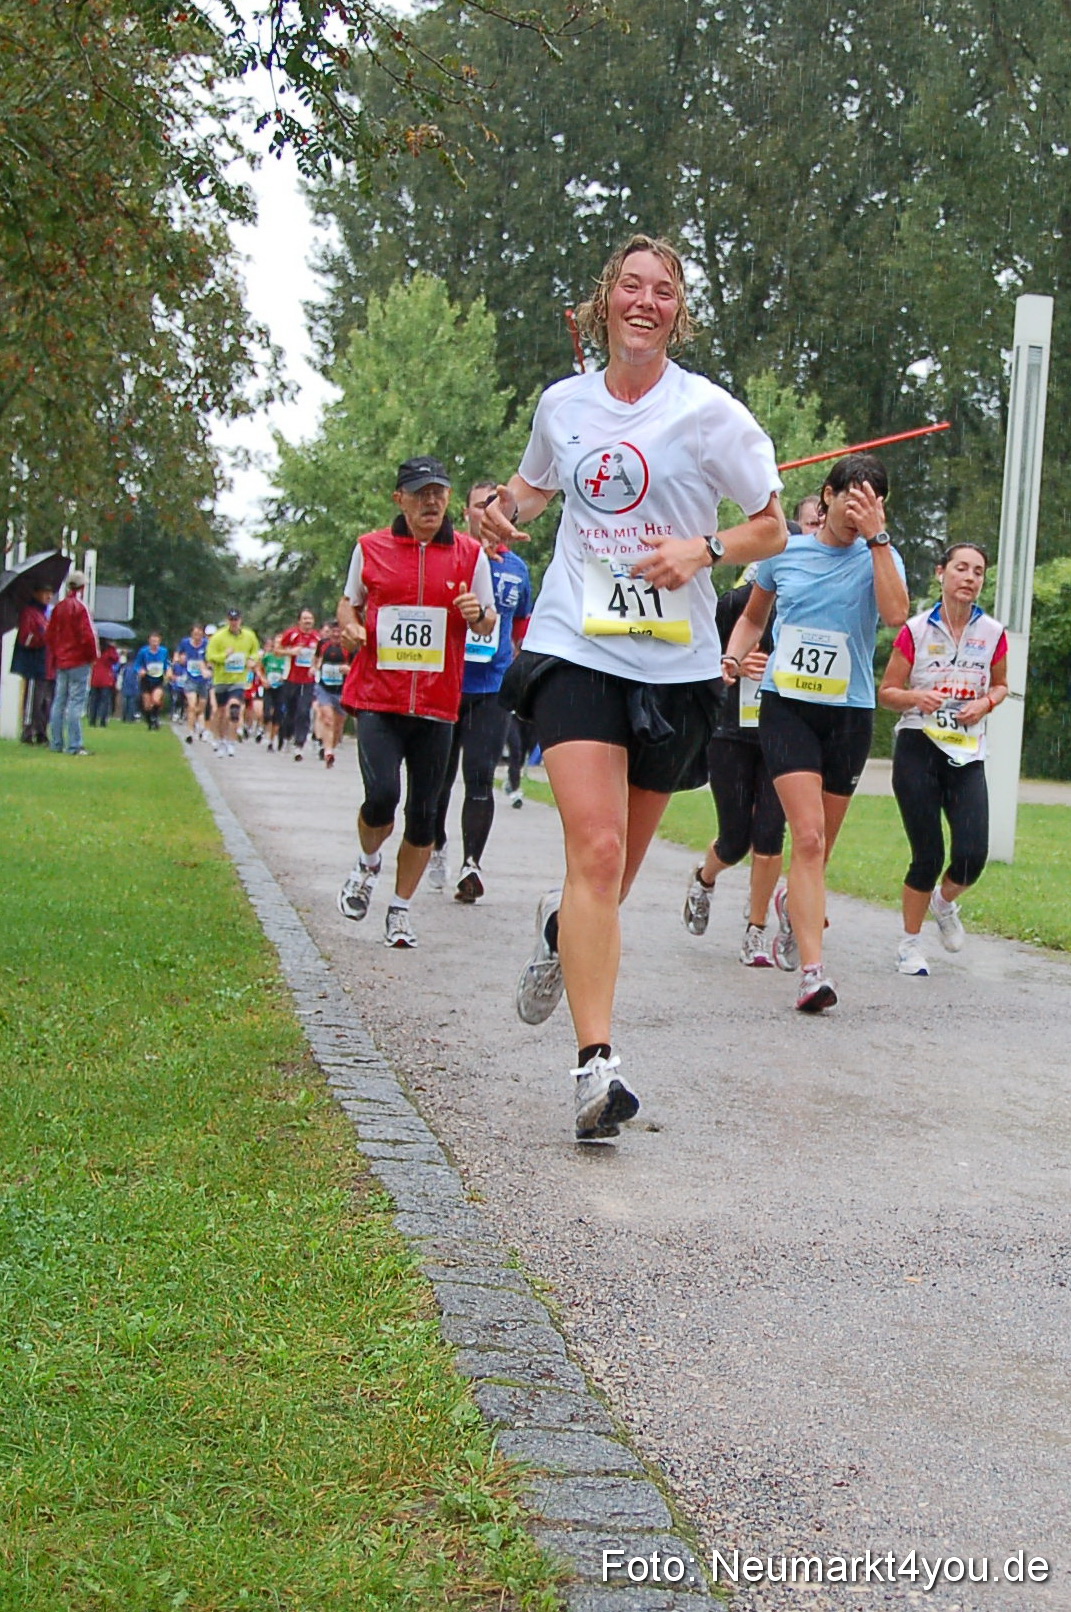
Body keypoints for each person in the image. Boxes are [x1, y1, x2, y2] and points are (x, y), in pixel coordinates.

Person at [483, 234, 787, 1140]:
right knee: (601, 851)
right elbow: (533, 492)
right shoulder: (562, 404)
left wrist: (703, 549)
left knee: (600, 885)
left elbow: (770, 529)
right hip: (576, 642)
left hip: (676, 661)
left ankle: (555, 937)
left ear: (676, 310)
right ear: (603, 302)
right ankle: (594, 1067)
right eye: (630, 285)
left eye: (662, 290)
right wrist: (496, 511)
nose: (644, 301)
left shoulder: (709, 414)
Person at [722, 452, 910, 1012]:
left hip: (848, 713)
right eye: (852, 497)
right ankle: (812, 972)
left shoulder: (882, 555)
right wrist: (735, 655)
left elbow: (897, 615)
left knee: (818, 849)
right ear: (827, 496)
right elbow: (755, 617)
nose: (860, 509)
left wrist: (878, 541)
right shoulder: (786, 552)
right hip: (788, 709)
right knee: (804, 837)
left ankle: (790, 902)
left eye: (872, 501)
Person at [335, 456, 496, 948]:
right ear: (399, 499)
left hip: (437, 703)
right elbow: (349, 600)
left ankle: (400, 909)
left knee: (424, 815)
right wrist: (350, 625)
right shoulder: (371, 548)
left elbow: (488, 620)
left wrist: (478, 616)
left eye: (439, 492)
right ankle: (367, 866)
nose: (432, 501)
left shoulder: (471, 554)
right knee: (382, 796)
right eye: (421, 492)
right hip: (379, 698)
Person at [878, 542, 1007, 975]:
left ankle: (944, 903)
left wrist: (986, 703)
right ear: (942, 573)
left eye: (978, 572)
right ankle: (910, 945)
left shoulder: (993, 631)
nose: (969, 578)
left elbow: (1002, 685)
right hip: (919, 744)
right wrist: (918, 696)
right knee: (928, 854)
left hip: (967, 750)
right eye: (961, 569)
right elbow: (888, 693)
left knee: (972, 855)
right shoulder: (914, 631)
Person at [428, 480, 532, 902]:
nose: (488, 514)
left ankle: (472, 865)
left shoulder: (518, 569)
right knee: (436, 779)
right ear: (466, 513)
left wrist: (519, 668)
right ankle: (435, 845)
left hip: (491, 687)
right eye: (479, 506)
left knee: (479, 778)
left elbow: (522, 624)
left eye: (496, 506)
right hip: (446, 683)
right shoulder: (446, 555)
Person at [682, 570, 786, 965]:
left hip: (783, 733)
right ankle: (704, 878)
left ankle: (756, 932)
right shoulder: (734, 604)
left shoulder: (808, 604)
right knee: (735, 839)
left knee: (770, 832)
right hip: (731, 732)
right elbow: (695, 654)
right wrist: (735, 664)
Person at [45, 569, 98, 756]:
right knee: (76, 702)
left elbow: (50, 635)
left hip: (62, 660)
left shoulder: (58, 607)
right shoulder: (80, 608)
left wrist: (57, 654)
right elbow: (88, 636)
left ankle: (56, 742)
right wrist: (92, 657)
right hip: (79, 661)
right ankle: (75, 744)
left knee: (59, 701)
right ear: (83, 586)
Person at [206, 609, 260, 756]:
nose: (234, 623)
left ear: (240, 620)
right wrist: (225, 656)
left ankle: (231, 741)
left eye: (236, 620)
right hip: (222, 679)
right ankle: (220, 739)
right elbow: (210, 656)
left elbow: (255, 651)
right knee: (221, 712)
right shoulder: (218, 637)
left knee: (234, 708)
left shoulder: (249, 636)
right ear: (227, 620)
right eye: (231, 620)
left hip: (239, 679)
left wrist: (252, 660)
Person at [11, 584, 53, 744]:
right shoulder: (30, 613)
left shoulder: (43, 614)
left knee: (43, 700)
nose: (49, 596)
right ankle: (28, 731)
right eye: (45, 592)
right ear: (36, 593)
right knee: (32, 700)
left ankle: (41, 730)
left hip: (43, 664)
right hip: (32, 665)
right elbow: (27, 639)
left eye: (50, 593)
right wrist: (44, 638)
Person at [278, 608, 320, 760]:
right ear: (299, 621)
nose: (308, 622)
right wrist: (291, 652)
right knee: (291, 711)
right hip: (291, 678)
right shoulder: (291, 634)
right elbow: (277, 650)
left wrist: (315, 666)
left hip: (308, 680)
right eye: (305, 619)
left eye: (310, 619)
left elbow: (320, 656)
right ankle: (287, 736)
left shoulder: (317, 637)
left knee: (304, 711)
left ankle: (299, 744)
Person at [312, 620, 349, 767]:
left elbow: (357, 668)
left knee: (338, 724)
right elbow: (316, 659)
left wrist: (348, 669)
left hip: (342, 690)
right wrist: (314, 667)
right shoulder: (323, 644)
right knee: (327, 719)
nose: (336, 634)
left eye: (339, 631)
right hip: (324, 687)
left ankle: (331, 747)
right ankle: (328, 752)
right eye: (333, 631)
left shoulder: (349, 648)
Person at [176, 623, 211, 744]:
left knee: (201, 708)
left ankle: (196, 723)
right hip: (190, 679)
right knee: (191, 705)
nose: (197, 637)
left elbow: (212, 659)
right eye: (195, 634)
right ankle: (190, 733)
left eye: (200, 634)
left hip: (203, 680)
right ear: (191, 634)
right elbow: (178, 654)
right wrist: (179, 659)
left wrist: (208, 666)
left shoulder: (207, 644)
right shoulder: (185, 643)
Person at [132, 632, 170, 729]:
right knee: (147, 705)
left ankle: (155, 717)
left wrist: (169, 671)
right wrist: (140, 670)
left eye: (156, 641)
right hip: (146, 679)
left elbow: (166, 663)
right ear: (149, 641)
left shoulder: (163, 651)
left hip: (158, 679)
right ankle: (150, 722)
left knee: (156, 699)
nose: (154, 643)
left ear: (159, 641)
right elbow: (137, 664)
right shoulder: (143, 652)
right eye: (153, 641)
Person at [259, 634, 290, 751]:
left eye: (281, 643)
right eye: (277, 643)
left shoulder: (286, 659)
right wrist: (263, 679)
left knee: (278, 715)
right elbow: (260, 668)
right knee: (267, 713)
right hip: (269, 688)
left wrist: (285, 677)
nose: (278, 645)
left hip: (281, 689)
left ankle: (271, 741)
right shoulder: (268, 657)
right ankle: (264, 730)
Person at [88, 641, 121, 726]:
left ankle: (92, 720)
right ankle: (102, 721)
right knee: (104, 701)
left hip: (95, 678)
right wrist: (113, 648)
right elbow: (116, 659)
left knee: (93, 701)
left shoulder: (94, 648)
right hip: (106, 678)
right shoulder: (110, 650)